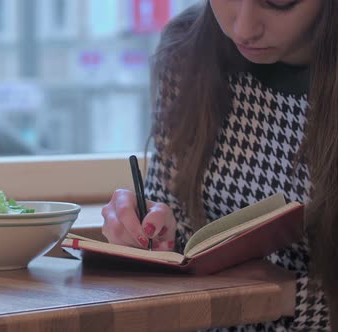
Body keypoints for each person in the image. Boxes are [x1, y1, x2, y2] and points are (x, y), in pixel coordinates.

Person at [101, 0, 337, 331]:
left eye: (280, 3)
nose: (243, 29)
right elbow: (177, 225)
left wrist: (287, 296)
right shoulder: (187, 50)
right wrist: (152, 235)